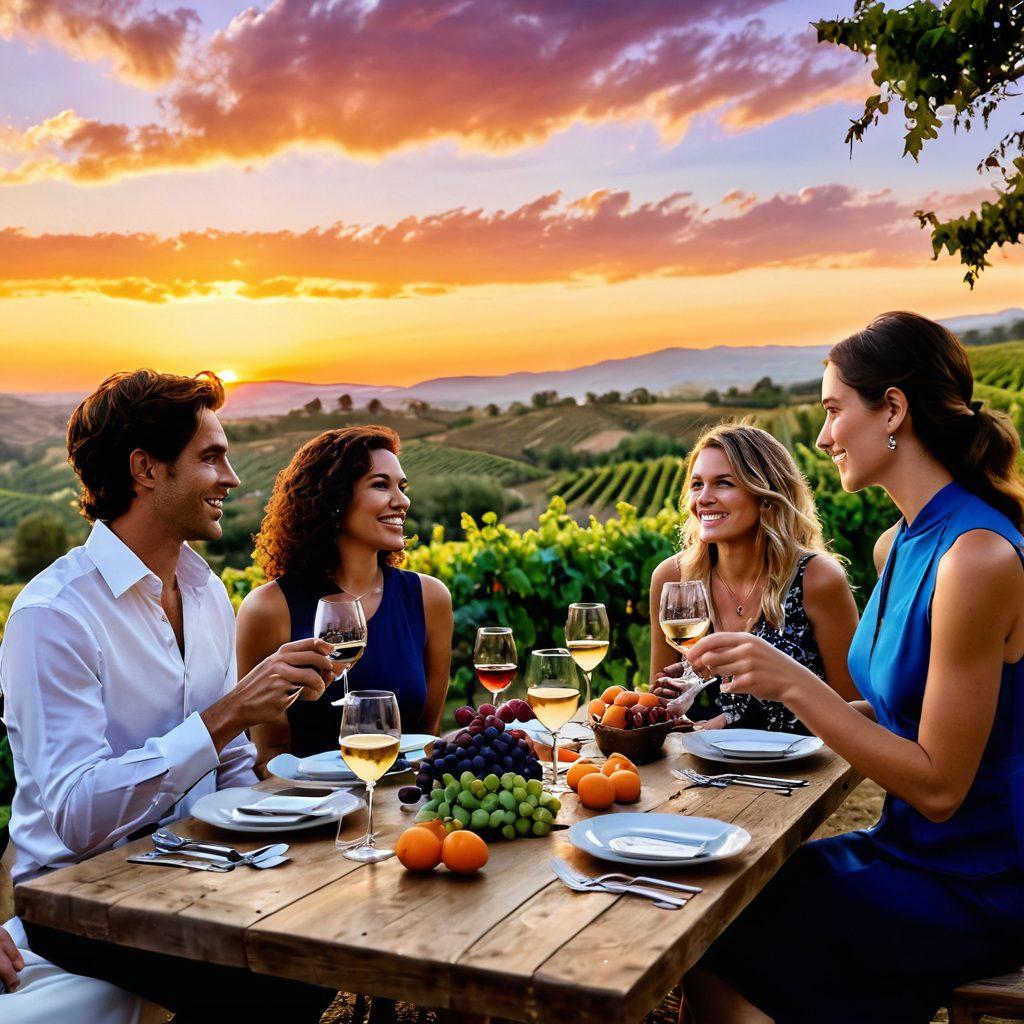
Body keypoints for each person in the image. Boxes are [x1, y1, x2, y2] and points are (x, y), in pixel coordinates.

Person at [683, 312, 1024, 1024]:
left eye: (835, 409)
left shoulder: (977, 558)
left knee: (730, 942)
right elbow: (897, 713)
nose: (822, 436)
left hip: (981, 879)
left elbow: (938, 786)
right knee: (713, 904)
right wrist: (772, 728)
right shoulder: (894, 544)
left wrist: (792, 683)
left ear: (892, 408)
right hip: (903, 850)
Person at [0, 369, 338, 1022]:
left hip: (194, 872)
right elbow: (75, 811)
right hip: (80, 902)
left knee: (329, 927)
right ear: (145, 469)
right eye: (211, 457)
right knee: (281, 987)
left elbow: (233, 764)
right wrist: (230, 712)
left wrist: (304, 807)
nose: (232, 478)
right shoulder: (55, 615)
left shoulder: (207, 591)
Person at [237, 426, 452, 776]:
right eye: (381, 485)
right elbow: (269, 754)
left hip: (400, 811)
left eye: (402, 486)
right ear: (334, 500)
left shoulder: (430, 599)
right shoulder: (268, 610)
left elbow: (428, 734)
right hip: (313, 816)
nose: (402, 501)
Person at [649, 423, 859, 730]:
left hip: (801, 773)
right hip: (700, 773)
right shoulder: (673, 578)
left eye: (723, 483)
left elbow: (852, 712)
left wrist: (732, 722)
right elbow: (663, 714)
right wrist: (667, 705)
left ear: (766, 495)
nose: (703, 498)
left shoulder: (817, 579)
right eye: (696, 485)